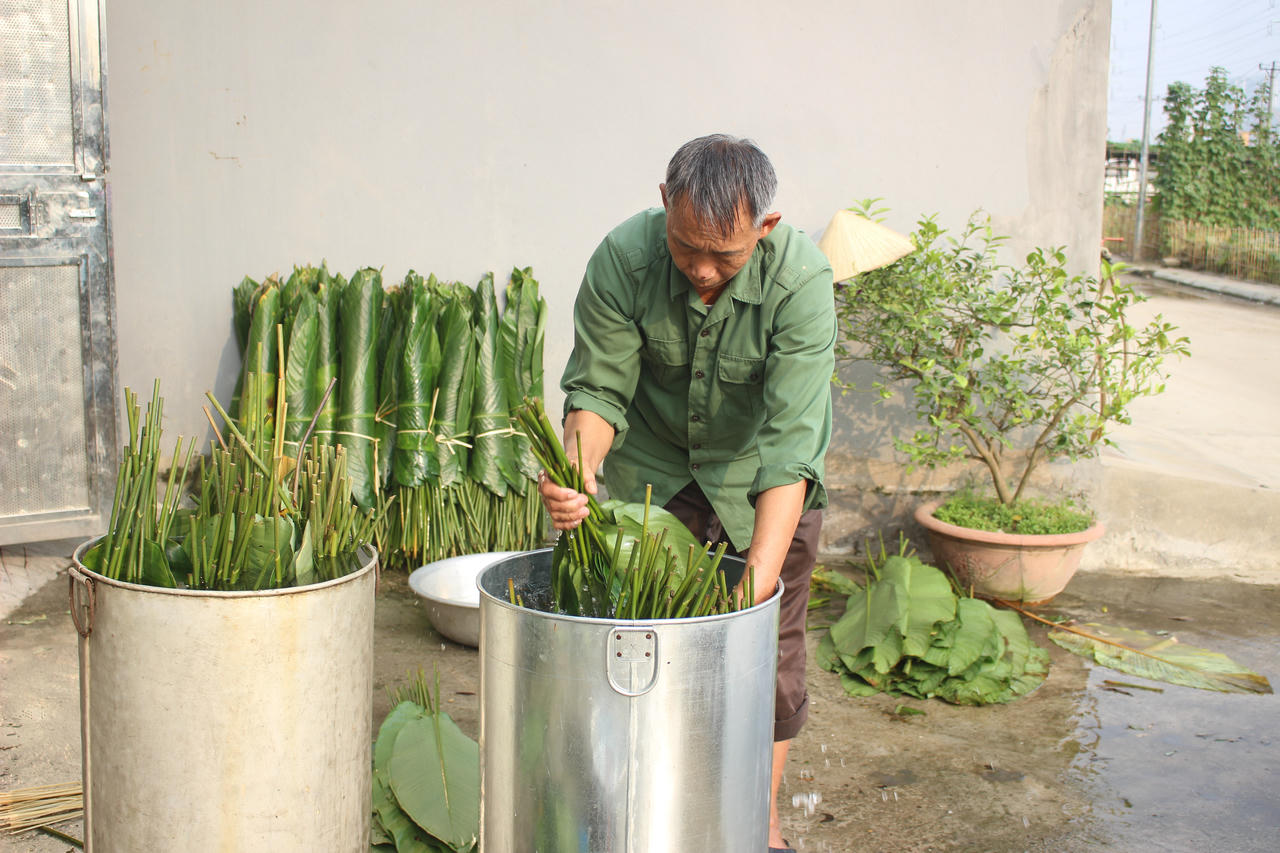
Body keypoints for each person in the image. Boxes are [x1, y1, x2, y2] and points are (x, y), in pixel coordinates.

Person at [538, 133, 835, 852]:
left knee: (769, 658)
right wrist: (574, 472)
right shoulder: (624, 257)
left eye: (724, 256)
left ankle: (755, 820)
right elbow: (600, 389)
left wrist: (756, 584)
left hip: (761, 483)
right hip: (653, 479)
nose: (702, 270)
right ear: (665, 202)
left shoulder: (801, 280)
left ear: (764, 229)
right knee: (632, 642)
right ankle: (635, 802)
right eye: (685, 248)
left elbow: (792, 443)